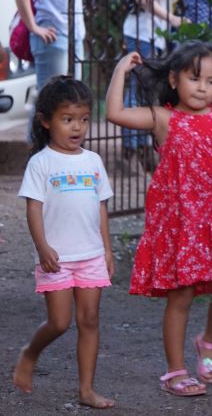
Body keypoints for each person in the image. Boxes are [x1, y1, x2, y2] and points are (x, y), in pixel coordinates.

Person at [105, 40, 212, 397]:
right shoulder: (163, 117)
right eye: (194, 79)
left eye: (211, 81)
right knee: (181, 298)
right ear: (174, 79)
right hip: (181, 222)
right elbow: (115, 114)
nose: (203, 88)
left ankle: (208, 340)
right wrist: (119, 72)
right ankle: (175, 371)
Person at [12, 76, 115, 409]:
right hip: (56, 257)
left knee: (89, 320)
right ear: (46, 120)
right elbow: (34, 208)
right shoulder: (41, 163)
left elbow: (101, 207)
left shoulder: (93, 162)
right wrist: (42, 247)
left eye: (83, 119)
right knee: (59, 322)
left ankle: (86, 390)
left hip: (91, 255)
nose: (77, 128)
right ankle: (30, 352)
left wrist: (107, 249)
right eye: (67, 119)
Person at [121, 0, 185, 168]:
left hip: (149, 33)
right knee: (139, 87)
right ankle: (133, 149)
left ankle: (138, 148)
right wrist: (173, 19)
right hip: (142, 32)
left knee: (142, 89)